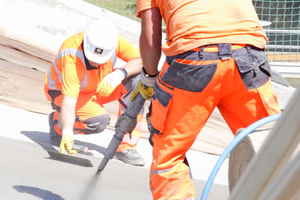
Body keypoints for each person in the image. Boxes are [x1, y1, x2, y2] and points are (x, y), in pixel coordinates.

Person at [130, 0, 282, 199]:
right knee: (273, 148)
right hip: (248, 59)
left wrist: (149, 79)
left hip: (193, 63)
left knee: (169, 158)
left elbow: (151, 40)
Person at [44, 18, 145, 166]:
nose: (96, 63)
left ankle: (125, 146)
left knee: (139, 81)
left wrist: (120, 74)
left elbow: (145, 60)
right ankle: (57, 125)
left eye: (100, 59)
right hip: (63, 93)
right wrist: (67, 132)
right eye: (93, 59)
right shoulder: (72, 55)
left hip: (96, 87)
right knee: (98, 122)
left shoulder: (112, 40)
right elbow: (69, 102)